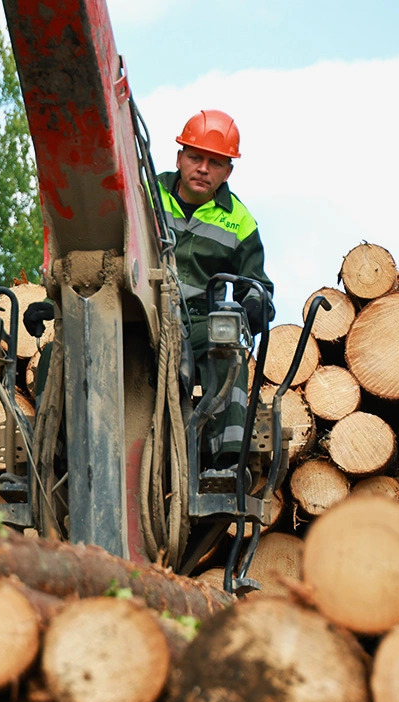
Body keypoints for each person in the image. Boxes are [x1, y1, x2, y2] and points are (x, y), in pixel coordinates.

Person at [157, 109, 274, 468]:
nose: (203, 168)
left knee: (228, 346)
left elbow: (258, 287)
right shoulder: (145, 194)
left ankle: (228, 463)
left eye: (216, 162)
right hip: (141, 313)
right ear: (179, 158)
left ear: (228, 172)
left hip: (199, 326)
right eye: (195, 157)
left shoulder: (240, 221)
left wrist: (253, 306)